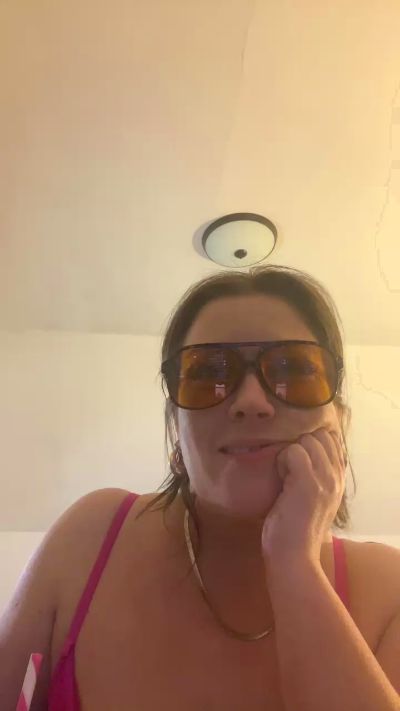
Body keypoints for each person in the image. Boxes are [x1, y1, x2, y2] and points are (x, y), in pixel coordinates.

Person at [1, 265, 399, 711]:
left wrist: (295, 563)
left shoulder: (390, 591)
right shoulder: (88, 539)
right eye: (209, 373)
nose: (251, 401)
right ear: (176, 429)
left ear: (339, 424)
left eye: (294, 370)